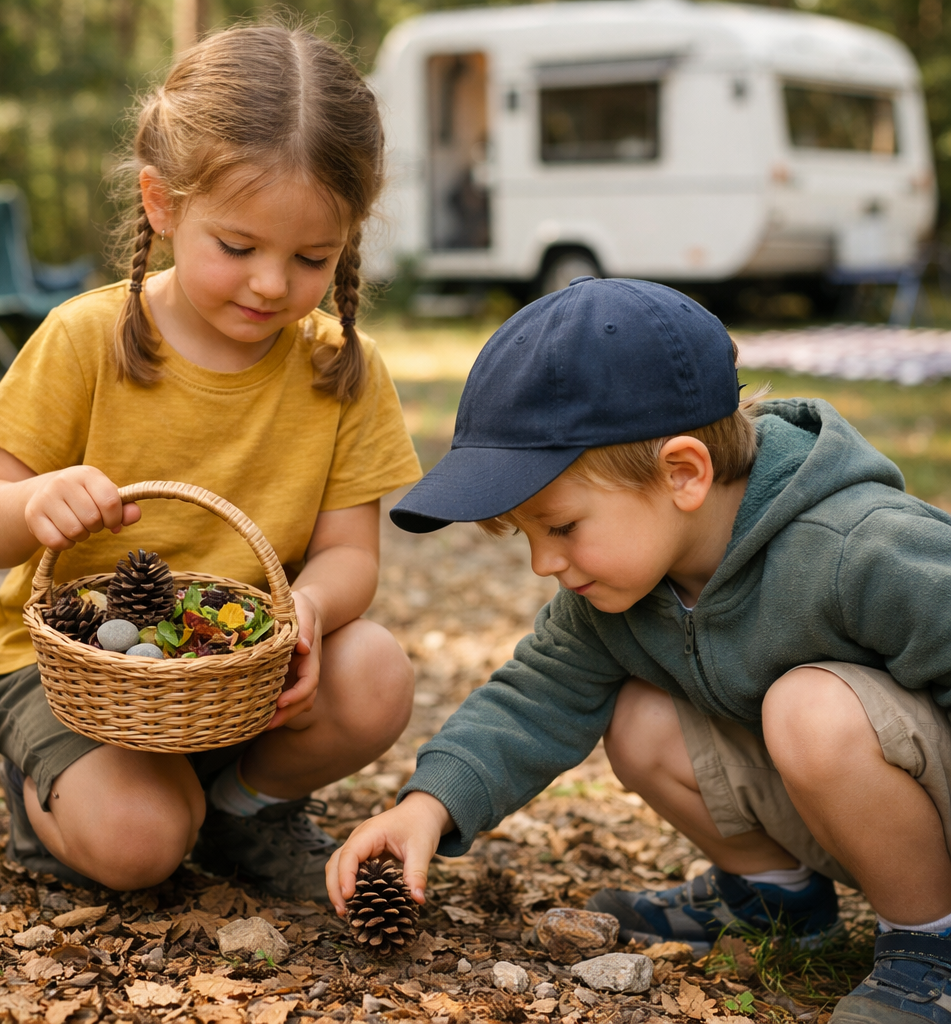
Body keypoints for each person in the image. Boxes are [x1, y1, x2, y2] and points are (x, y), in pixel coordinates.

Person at [327, 277, 951, 1024]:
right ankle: (776, 901)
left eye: (560, 527)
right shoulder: (620, 595)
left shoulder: (858, 545)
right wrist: (428, 807)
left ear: (683, 474)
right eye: (526, 536)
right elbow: (539, 694)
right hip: (859, 814)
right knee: (638, 716)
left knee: (810, 709)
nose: (542, 563)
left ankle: (929, 948)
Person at [0, 24, 421, 900]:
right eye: (237, 247)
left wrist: (310, 610)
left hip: (235, 676)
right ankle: (70, 792)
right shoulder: (87, 339)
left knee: (378, 673)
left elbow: (351, 554)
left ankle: (242, 812)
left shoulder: (340, 367)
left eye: (312, 257)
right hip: (77, 680)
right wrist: (33, 502)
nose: (272, 285)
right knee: (141, 847)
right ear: (162, 206)